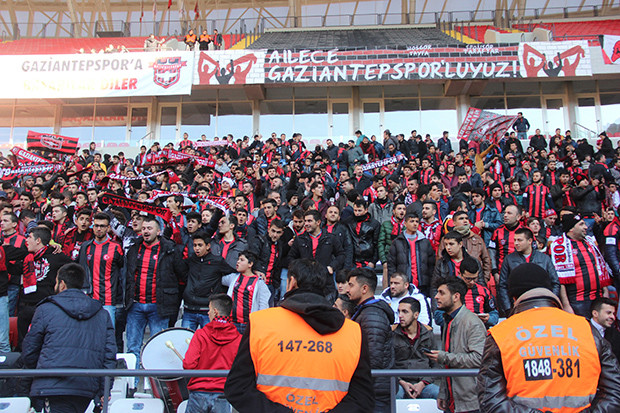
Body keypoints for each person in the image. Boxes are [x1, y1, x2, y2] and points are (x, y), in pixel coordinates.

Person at [225, 259, 374, 412]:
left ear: (292, 283)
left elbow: (238, 387)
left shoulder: (260, 323)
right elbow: (362, 398)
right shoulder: (353, 332)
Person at [477, 263, 620, 412]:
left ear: (513, 297)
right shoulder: (587, 329)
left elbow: (491, 401)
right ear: (549, 290)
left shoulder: (500, 334)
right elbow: (614, 391)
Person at [22, 263, 116, 413]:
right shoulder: (102, 313)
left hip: (51, 387)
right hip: (86, 388)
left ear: (62, 284)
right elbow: (109, 356)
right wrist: (104, 389)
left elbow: (29, 351)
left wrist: (33, 379)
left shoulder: (45, 309)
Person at [426, 276, 486, 413]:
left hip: (471, 402)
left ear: (456, 297)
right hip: (452, 399)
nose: (436, 297)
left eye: (441, 293)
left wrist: (444, 357)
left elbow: (479, 358)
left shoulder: (473, 323)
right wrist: (443, 393)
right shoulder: (448, 321)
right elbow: (447, 364)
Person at [183, 293, 241, 413]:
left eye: (209, 310)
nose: (207, 313)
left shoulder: (200, 335)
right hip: (223, 394)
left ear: (215, 312)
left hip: (199, 392)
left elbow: (188, 365)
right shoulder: (239, 339)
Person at [347, 268, 394, 413]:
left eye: (351, 285)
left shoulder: (372, 314)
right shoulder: (365, 311)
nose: (347, 289)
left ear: (364, 288)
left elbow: (373, 356)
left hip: (375, 390)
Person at [18, 227, 72, 350]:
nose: (26, 240)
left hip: (45, 306)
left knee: (44, 341)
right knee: (24, 343)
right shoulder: (26, 256)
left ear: (38, 240)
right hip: (26, 306)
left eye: (29, 237)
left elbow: (74, 269)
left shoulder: (56, 256)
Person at [550, 214, 612, 316]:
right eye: (581, 224)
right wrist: (566, 305)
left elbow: (600, 267)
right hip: (578, 301)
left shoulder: (590, 242)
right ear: (571, 229)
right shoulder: (559, 247)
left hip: (598, 297)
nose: (586, 227)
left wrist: (605, 291)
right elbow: (560, 278)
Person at [498, 227, 566, 315]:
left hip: (543, 305)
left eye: (519, 240)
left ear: (530, 241)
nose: (516, 243)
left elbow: (555, 282)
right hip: (518, 306)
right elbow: (503, 285)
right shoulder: (509, 259)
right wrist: (508, 308)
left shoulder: (544, 258)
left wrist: (551, 301)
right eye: (514, 240)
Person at [78, 212, 124, 327]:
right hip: (89, 299)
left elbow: (122, 269)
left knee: (108, 335)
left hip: (109, 300)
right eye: (96, 225)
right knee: (89, 335)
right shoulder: (86, 247)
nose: (99, 229)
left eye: (102, 226)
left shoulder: (116, 247)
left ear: (108, 228)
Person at [394, 297, 440, 400]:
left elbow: (436, 365)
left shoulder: (428, 334)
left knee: (438, 393)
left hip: (424, 383)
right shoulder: (392, 334)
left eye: (405, 312)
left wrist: (423, 383)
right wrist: (401, 381)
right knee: (396, 395)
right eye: (399, 312)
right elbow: (388, 364)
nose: (400, 315)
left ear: (416, 314)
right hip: (399, 383)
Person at [387, 213, 435, 296]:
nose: (415, 224)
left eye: (417, 221)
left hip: (422, 284)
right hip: (404, 284)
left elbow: (431, 264)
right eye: (412, 221)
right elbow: (391, 265)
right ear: (405, 223)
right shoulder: (397, 242)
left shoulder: (425, 242)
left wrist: (430, 281)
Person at [458, 256, 499, 329]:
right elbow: (439, 316)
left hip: (479, 332)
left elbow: (494, 315)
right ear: (460, 274)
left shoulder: (483, 290)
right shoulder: (451, 290)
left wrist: (489, 318)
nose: (472, 282)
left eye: (474, 278)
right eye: (468, 279)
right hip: (458, 333)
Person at [590, 297, 620, 362]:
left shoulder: (616, 335)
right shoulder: (582, 330)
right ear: (595, 313)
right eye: (608, 313)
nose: (613, 317)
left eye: (613, 313)